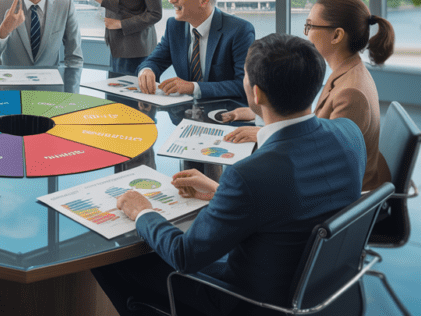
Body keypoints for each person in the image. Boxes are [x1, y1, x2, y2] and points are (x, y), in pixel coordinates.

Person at [92, 33, 367, 316]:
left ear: (255, 94)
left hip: (247, 303)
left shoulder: (250, 175)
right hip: (320, 292)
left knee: (108, 259)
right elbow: (295, 202)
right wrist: (219, 190)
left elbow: (184, 256)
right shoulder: (349, 133)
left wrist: (143, 213)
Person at [221, 0, 394, 190]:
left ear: (337, 35)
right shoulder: (348, 71)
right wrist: (259, 112)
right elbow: (320, 130)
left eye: (310, 26)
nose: (306, 34)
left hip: (343, 196)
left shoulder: (350, 93)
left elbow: (321, 159)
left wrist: (265, 134)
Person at [136, 0, 255, 104]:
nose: (171, 0)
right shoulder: (174, 26)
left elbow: (243, 86)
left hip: (225, 116)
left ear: (204, 0)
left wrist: (193, 87)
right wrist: (147, 71)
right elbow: (154, 61)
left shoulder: (239, 30)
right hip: (182, 115)